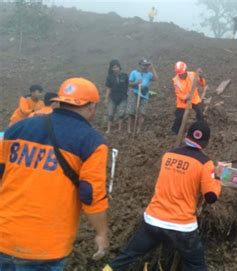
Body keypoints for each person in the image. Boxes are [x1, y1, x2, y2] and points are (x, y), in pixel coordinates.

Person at [0, 78, 109, 270]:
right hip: (45, 247)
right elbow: (90, 194)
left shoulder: (17, 128)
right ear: (91, 107)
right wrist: (101, 233)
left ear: (60, 101)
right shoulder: (92, 142)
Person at [104, 121, 222, 271]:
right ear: (206, 142)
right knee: (196, 265)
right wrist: (216, 177)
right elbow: (211, 197)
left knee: (126, 257)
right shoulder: (205, 164)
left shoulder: (168, 155)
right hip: (182, 226)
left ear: (187, 136)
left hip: (153, 220)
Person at [171, 61, 206, 134]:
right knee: (179, 116)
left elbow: (202, 84)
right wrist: (185, 97)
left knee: (200, 113)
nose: (181, 75)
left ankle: (201, 128)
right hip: (182, 101)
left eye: (182, 73)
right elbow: (178, 93)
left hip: (194, 98)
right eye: (179, 74)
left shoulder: (193, 74)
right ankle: (175, 130)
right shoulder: (175, 80)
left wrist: (201, 77)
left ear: (186, 71)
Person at [127, 58, 158, 134]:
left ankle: (138, 130)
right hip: (135, 93)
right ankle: (129, 129)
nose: (145, 67)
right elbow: (128, 84)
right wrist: (136, 83)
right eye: (144, 65)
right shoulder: (134, 72)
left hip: (144, 95)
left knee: (142, 113)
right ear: (140, 65)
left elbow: (156, 78)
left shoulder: (149, 74)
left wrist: (152, 68)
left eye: (147, 65)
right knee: (131, 112)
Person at [105, 60, 129, 134]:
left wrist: (136, 84)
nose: (115, 69)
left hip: (123, 97)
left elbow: (128, 85)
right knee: (110, 113)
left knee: (121, 113)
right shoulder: (110, 77)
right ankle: (108, 129)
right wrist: (106, 98)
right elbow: (108, 88)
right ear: (111, 69)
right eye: (113, 67)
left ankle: (119, 129)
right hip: (113, 97)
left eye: (116, 67)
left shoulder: (125, 76)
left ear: (119, 67)